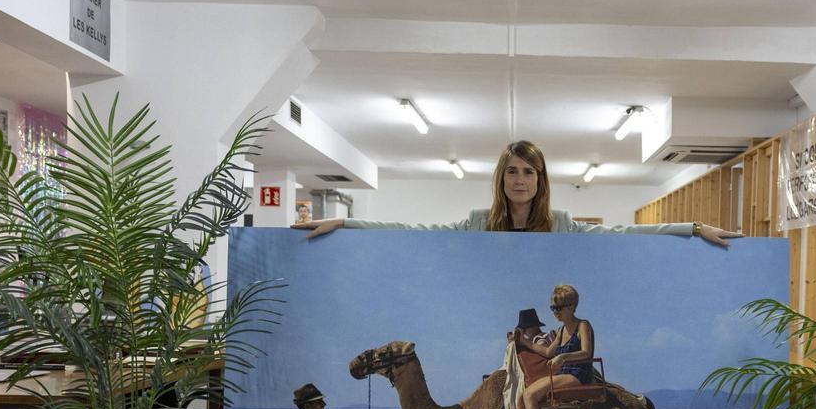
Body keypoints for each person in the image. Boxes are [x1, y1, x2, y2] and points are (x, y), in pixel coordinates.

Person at [295, 140, 739, 246]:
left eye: (529, 171)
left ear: (541, 179)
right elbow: (414, 230)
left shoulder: (562, 224)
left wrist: (694, 227)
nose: (520, 179)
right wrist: (345, 220)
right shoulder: (476, 223)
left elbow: (625, 234)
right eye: (511, 172)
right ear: (501, 179)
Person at [503, 284, 593, 409]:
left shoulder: (582, 325)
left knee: (529, 395)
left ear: (571, 307)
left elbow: (587, 353)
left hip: (578, 374)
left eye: (559, 308)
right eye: (553, 308)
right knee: (522, 396)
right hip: (564, 373)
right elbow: (547, 352)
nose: (555, 312)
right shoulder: (560, 331)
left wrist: (564, 357)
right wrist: (523, 342)